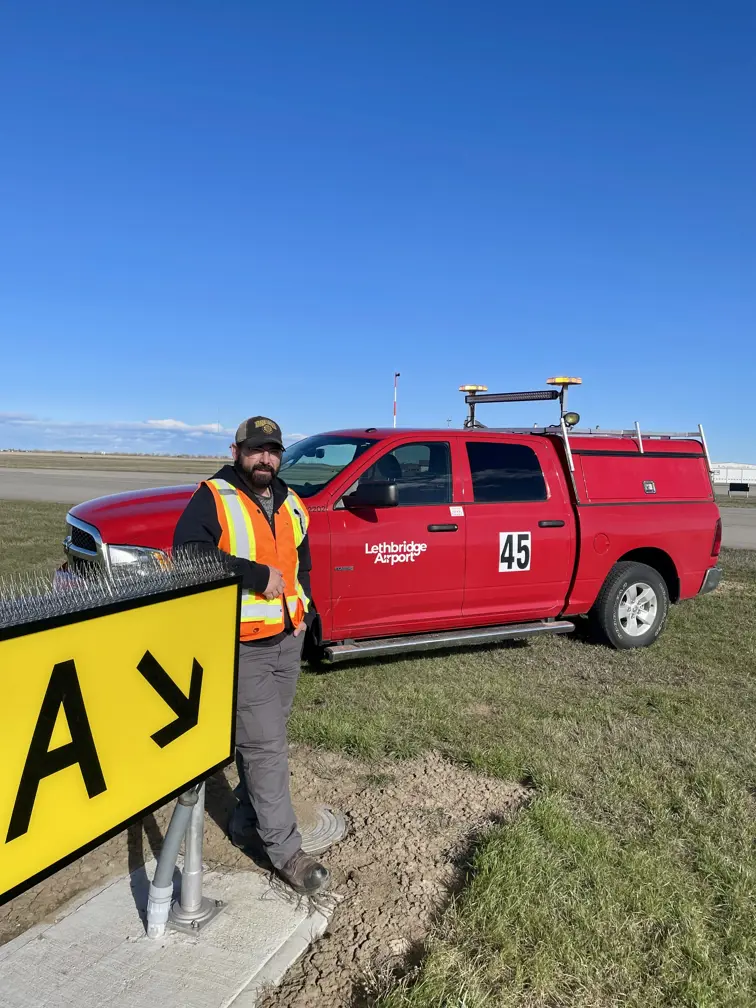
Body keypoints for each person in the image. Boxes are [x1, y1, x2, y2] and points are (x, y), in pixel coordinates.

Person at [173, 416, 329, 895]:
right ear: (237, 450)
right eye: (257, 449)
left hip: (286, 638)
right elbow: (190, 554)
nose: (266, 458)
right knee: (266, 748)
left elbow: (300, 561)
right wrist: (255, 576)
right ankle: (287, 852)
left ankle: (245, 822)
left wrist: (305, 613)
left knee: (264, 739)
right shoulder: (215, 497)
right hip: (242, 644)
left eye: (273, 450)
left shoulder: (290, 502)